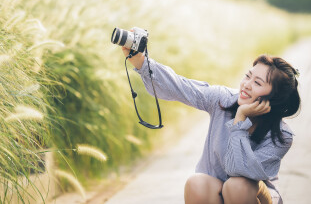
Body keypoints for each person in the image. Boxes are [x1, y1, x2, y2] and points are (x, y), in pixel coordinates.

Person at [122, 45, 300, 204]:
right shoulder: (222, 99)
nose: (246, 85)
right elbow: (181, 87)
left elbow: (239, 170)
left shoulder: (282, 136)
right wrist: (140, 61)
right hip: (217, 193)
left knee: (237, 186)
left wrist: (240, 118)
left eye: (257, 83)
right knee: (196, 183)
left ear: (274, 98)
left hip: (254, 197)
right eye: (248, 76)